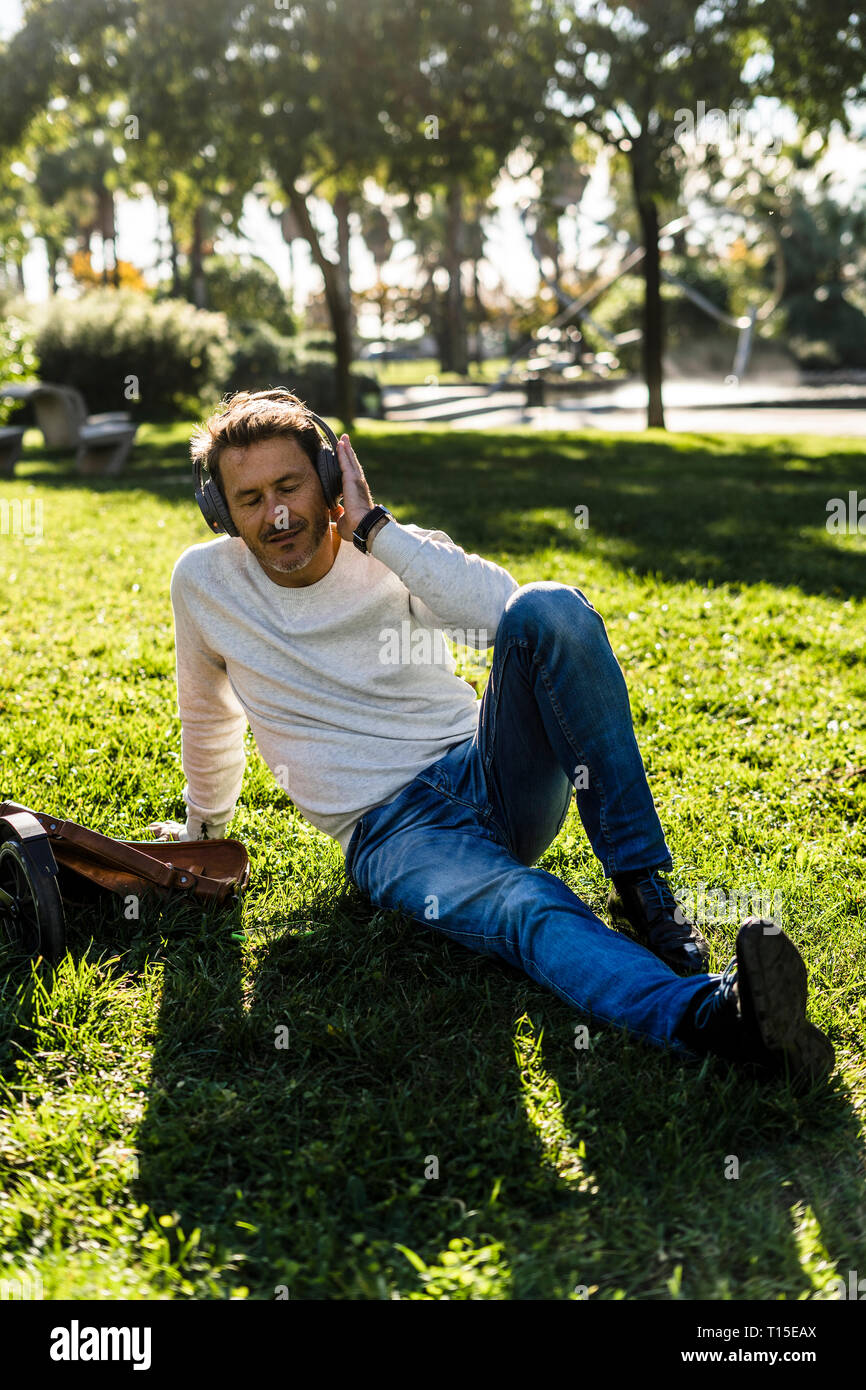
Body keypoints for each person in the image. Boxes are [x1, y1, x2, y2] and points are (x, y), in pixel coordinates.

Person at [150, 389, 834, 1089]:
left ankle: (646, 892)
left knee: (553, 607)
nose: (278, 514)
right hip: (393, 834)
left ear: (327, 480)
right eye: (252, 498)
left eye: (290, 486)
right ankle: (717, 1017)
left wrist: (376, 529)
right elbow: (207, 716)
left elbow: (509, 618)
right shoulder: (205, 582)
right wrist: (204, 835)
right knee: (523, 905)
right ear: (221, 511)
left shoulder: (390, 547)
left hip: (488, 773)